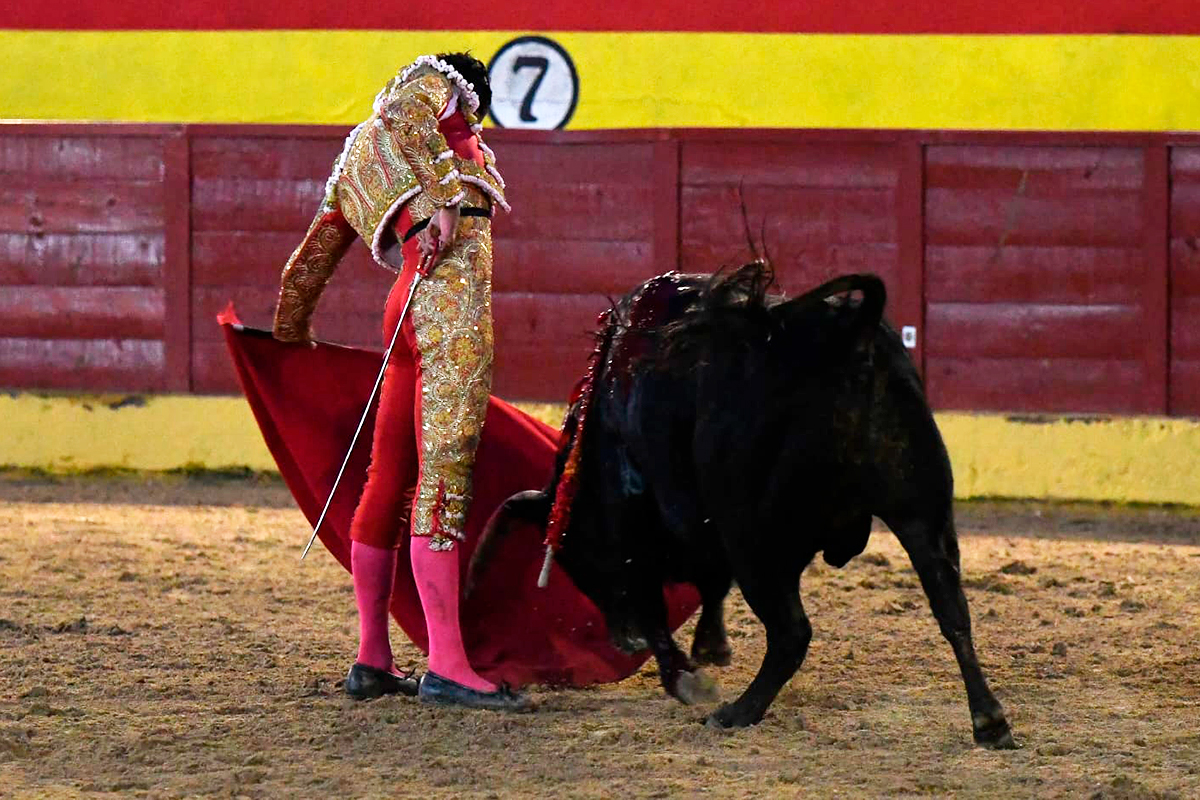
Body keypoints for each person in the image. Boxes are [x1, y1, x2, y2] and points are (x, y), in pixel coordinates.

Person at [271, 52, 528, 711]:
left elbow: (307, 264)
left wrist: (289, 334)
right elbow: (410, 109)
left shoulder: (358, 156)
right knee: (442, 477)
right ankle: (447, 666)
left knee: (387, 479)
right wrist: (442, 197)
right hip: (448, 306)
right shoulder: (437, 95)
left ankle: (372, 658)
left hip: (405, 305)